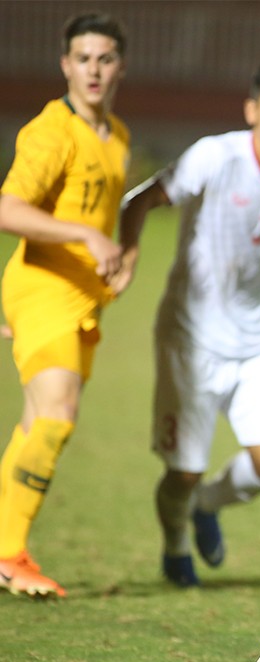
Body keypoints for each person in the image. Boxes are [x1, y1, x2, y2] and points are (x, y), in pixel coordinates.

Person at [118, 58, 260, 587]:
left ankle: (207, 505)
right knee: (181, 471)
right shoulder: (215, 156)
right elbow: (139, 200)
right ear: (253, 109)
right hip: (190, 339)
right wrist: (127, 250)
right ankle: (174, 545)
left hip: (258, 340)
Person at [0, 13, 130, 598]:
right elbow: (7, 210)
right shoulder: (51, 132)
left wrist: (116, 257)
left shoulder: (117, 136)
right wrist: (85, 238)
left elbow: (102, 217)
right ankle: (9, 555)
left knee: (36, 424)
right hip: (42, 290)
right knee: (57, 413)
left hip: (82, 303)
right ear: (65, 65)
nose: (94, 70)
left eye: (105, 58)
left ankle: (5, 544)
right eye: (83, 58)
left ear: (119, 66)